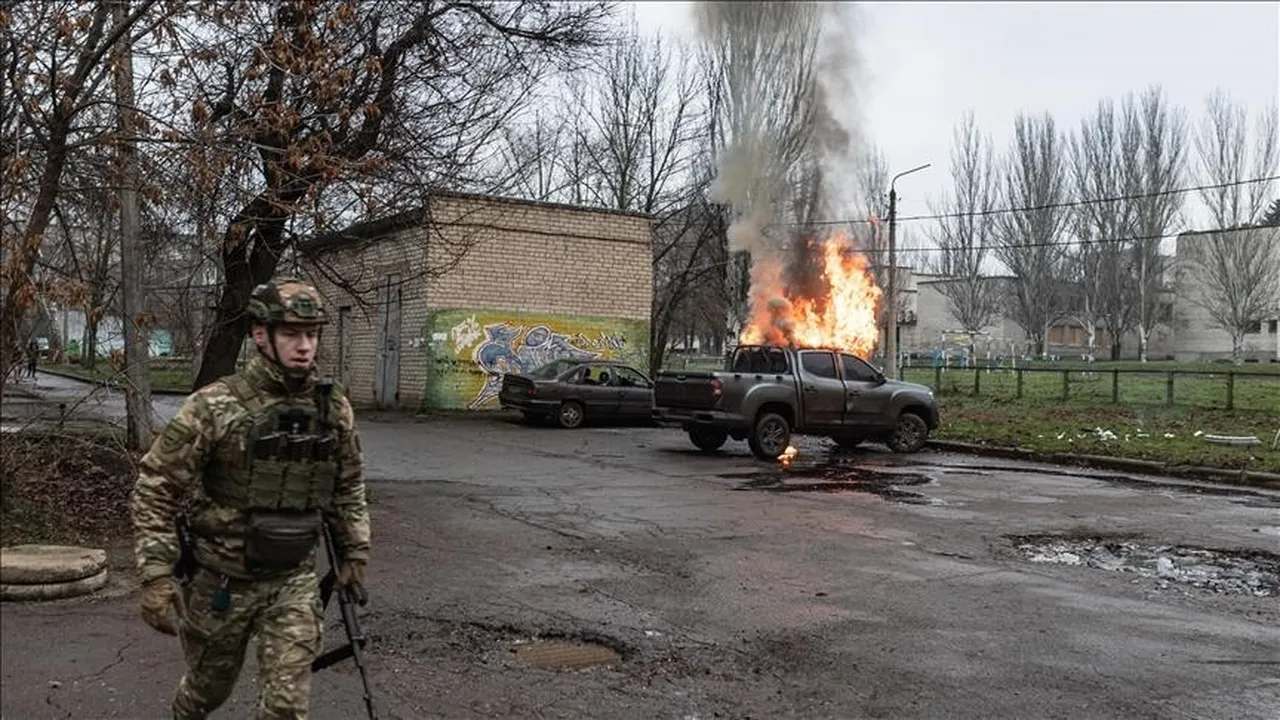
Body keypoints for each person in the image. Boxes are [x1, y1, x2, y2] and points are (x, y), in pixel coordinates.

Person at [130, 277, 371, 720]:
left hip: (293, 581)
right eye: (292, 334)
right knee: (206, 694)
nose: (305, 346)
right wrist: (157, 576)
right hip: (221, 582)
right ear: (261, 334)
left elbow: (347, 485)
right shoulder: (215, 406)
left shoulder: (332, 408)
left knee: (285, 706)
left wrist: (354, 549)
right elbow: (156, 486)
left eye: (312, 334)